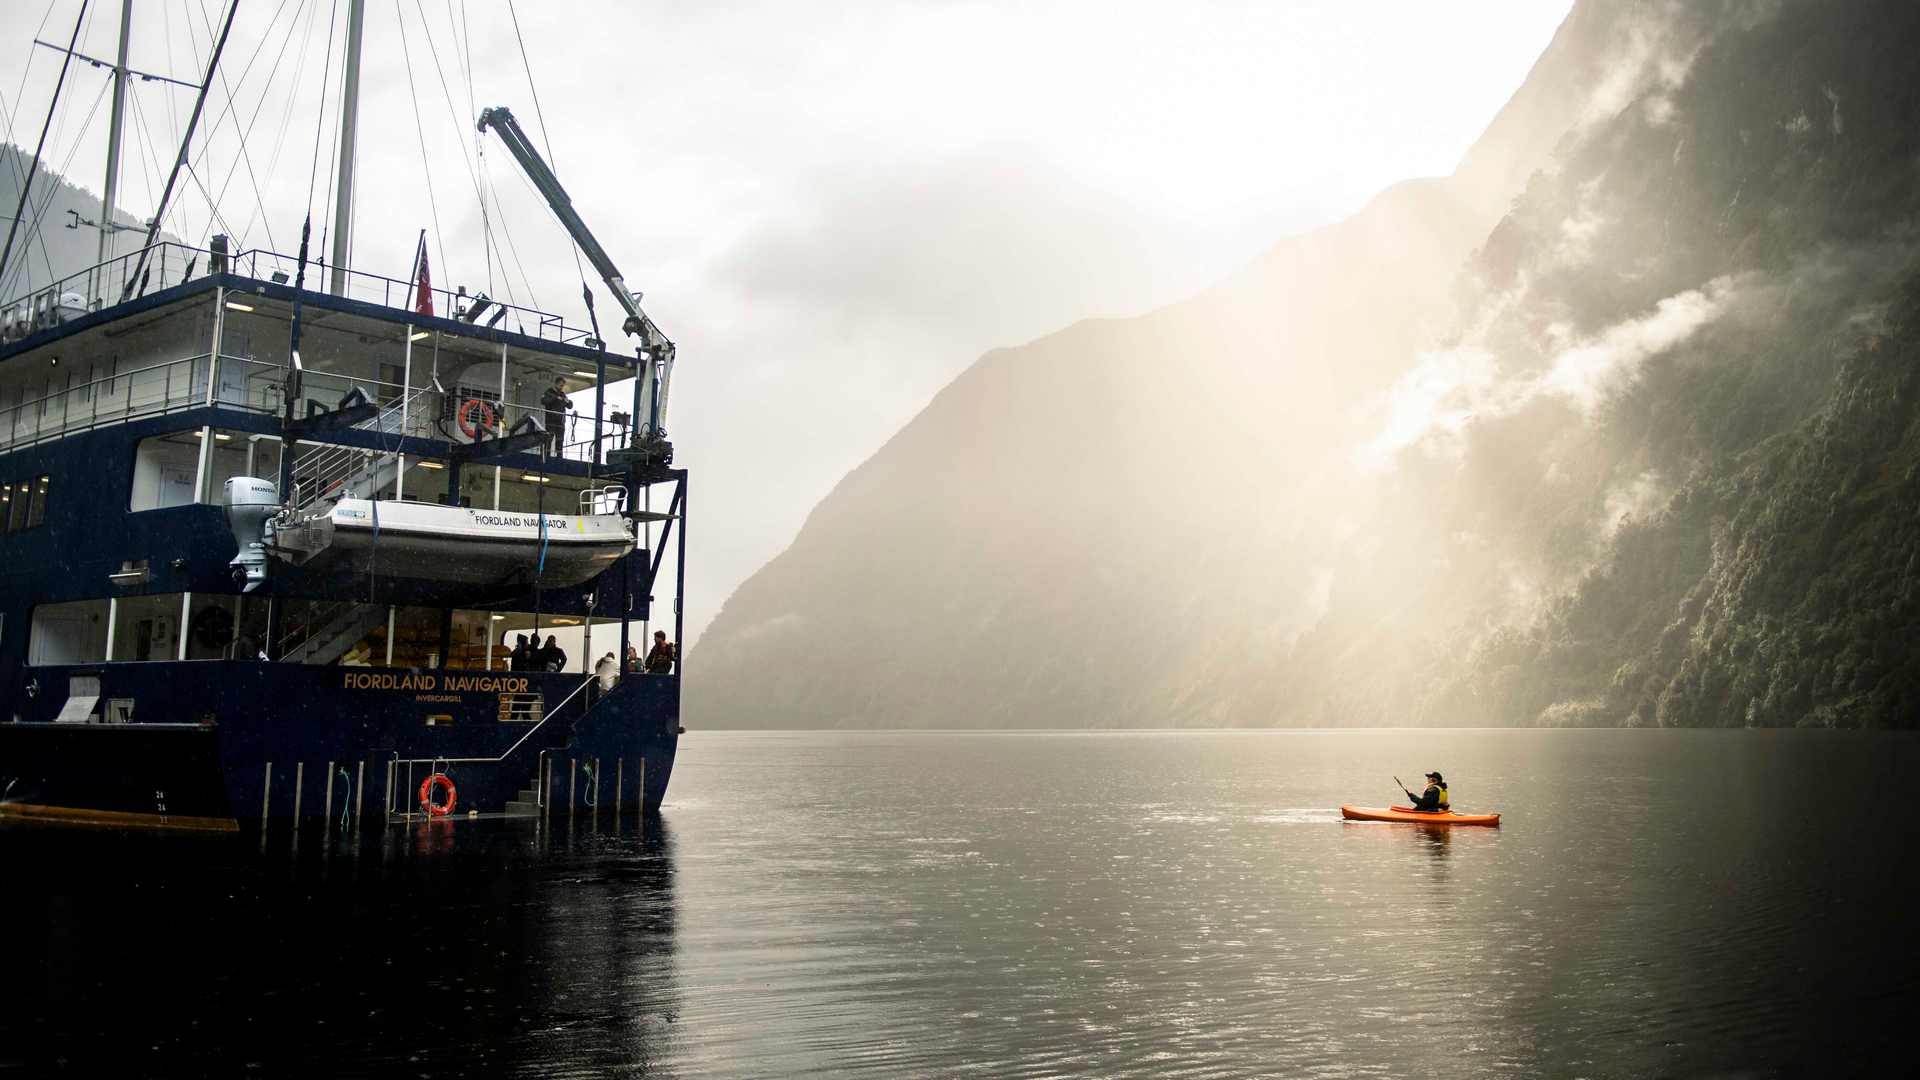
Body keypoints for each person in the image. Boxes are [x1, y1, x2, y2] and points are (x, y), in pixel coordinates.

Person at [540, 376, 573, 455]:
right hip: (551, 421)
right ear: (556, 384)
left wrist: (567, 401)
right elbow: (544, 401)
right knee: (549, 439)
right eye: (561, 385)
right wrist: (555, 398)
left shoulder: (562, 394)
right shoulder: (549, 392)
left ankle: (559, 457)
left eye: (563, 386)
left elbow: (570, 406)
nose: (562, 387)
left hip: (560, 421)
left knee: (560, 440)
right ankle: (546, 456)